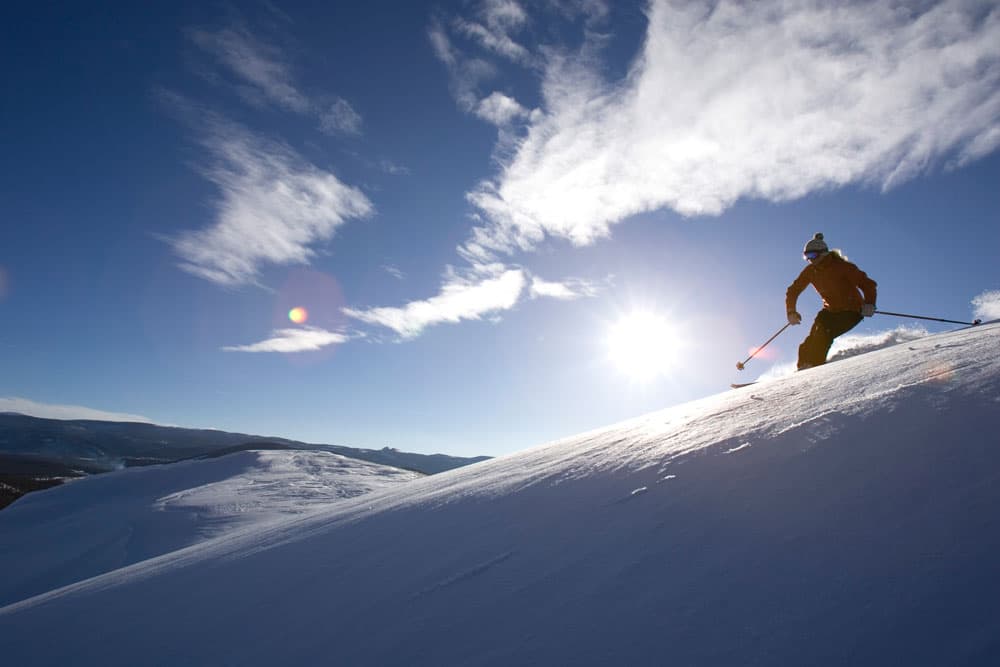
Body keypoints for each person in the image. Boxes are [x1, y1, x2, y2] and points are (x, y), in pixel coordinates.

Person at [786, 232, 877, 370]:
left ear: (823, 253)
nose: (810, 260)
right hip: (829, 311)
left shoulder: (843, 267)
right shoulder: (811, 271)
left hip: (851, 311)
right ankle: (803, 370)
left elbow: (868, 284)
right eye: (806, 256)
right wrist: (791, 311)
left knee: (824, 335)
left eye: (812, 256)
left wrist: (869, 303)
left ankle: (815, 368)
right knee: (808, 343)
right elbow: (793, 290)